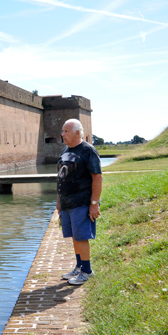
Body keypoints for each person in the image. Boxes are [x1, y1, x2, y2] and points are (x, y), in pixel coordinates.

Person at [56, 119, 103, 285]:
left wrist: (94, 203)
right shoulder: (65, 151)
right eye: (63, 131)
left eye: (66, 131)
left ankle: (87, 271)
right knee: (75, 237)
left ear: (77, 133)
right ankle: (79, 267)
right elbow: (61, 177)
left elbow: (97, 177)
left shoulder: (88, 150)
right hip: (67, 203)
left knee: (82, 237)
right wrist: (59, 202)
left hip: (81, 202)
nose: (62, 134)